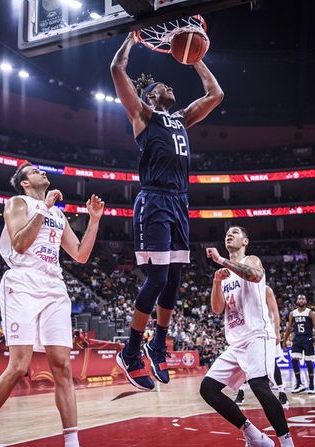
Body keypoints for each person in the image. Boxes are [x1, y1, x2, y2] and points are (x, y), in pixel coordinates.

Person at [0, 163, 105, 447]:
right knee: (19, 364)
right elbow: (20, 244)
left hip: (54, 286)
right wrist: (43, 209)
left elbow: (81, 255)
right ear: (25, 183)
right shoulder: (16, 203)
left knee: (62, 367)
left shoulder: (58, 215)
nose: (41, 173)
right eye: (34, 171)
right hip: (23, 282)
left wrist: (94, 220)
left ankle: (72, 443)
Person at [110, 31, 224, 390]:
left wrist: (195, 59)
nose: (168, 87)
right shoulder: (143, 115)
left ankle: (157, 345)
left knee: (174, 279)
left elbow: (216, 95)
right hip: (154, 200)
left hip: (179, 202)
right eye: (161, 86)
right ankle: (130, 351)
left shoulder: (181, 118)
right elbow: (116, 69)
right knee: (157, 279)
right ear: (149, 96)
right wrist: (130, 41)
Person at [201, 226, 295, 447]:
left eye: (235, 232)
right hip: (236, 342)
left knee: (259, 384)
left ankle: (287, 442)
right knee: (208, 388)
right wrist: (216, 281)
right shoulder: (223, 276)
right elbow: (217, 309)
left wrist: (222, 261)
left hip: (256, 336)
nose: (229, 235)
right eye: (226, 233)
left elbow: (254, 275)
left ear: (245, 241)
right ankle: (253, 434)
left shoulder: (252, 260)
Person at [234, 286, 288, 406]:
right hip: (250, 332)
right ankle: (241, 392)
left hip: (267, 330)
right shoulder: (244, 290)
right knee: (245, 364)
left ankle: (282, 392)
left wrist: (277, 332)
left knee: (272, 363)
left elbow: (275, 312)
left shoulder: (266, 289)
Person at [283, 294, 315, 394]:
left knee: (308, 361)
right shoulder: (292, 313)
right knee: (294, 360)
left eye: (303, 299)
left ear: (306, 301)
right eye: (299, 299)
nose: (301, 300)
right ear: (297, 301)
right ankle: (299, 384)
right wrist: (285, 340)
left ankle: (311, 385)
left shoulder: (310, 313)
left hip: (307, 339)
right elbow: (289, 328)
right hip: (297, 339)